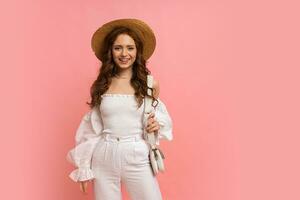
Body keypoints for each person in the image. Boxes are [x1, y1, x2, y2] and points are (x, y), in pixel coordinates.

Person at [66, 18, 173, 200]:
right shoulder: (101, 85)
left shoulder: (149, 84)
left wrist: (156, 125)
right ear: (111, 51)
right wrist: (83, 166)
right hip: (104, 155)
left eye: (130, 48)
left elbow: (160, 118)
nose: (124, 54)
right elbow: (92, 128)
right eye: (118, 48)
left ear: (137, 51)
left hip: (136, 153)